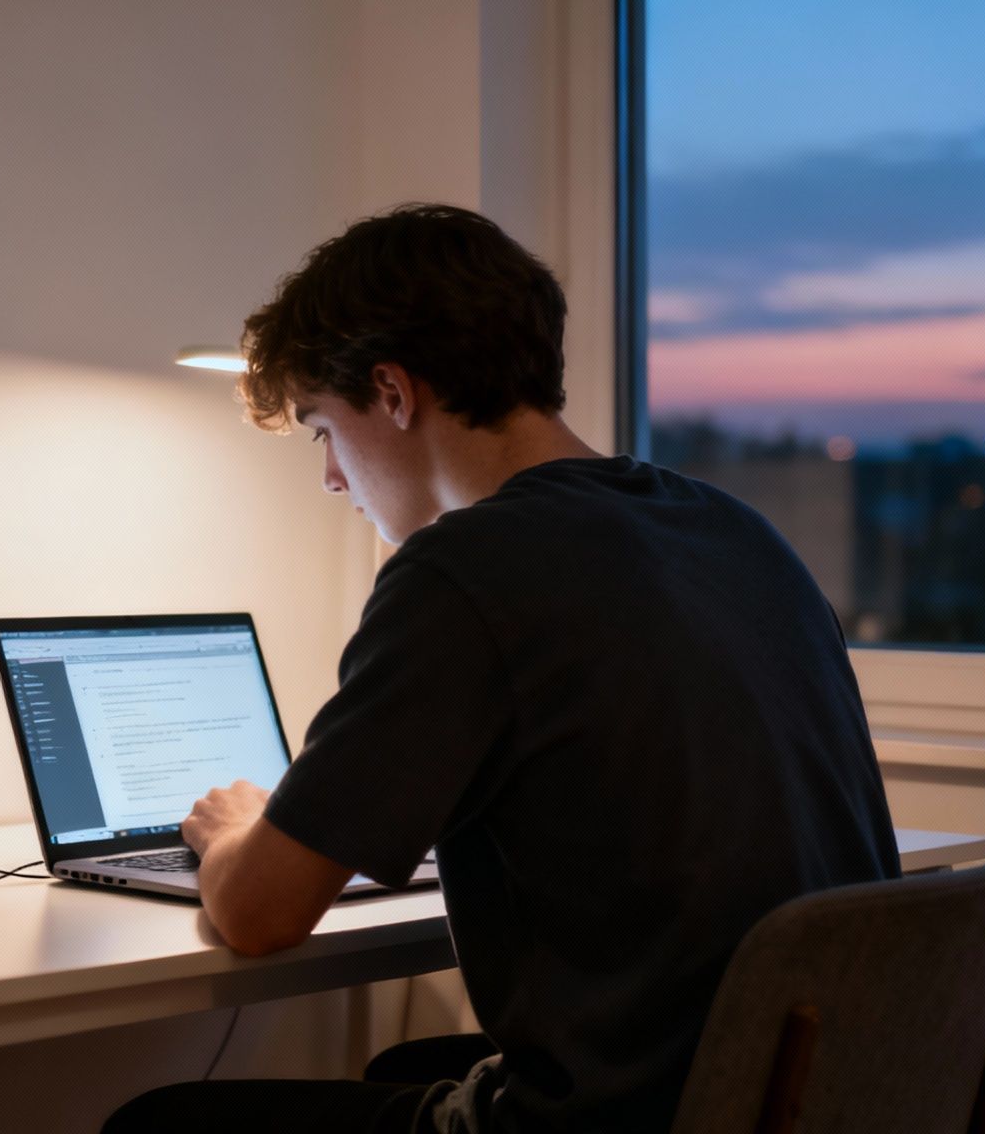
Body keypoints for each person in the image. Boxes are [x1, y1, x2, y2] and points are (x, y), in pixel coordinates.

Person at [101, 204, 899, 1133]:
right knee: (408, 1066)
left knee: (158, 1122)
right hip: (804, 1094)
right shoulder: (734, 531)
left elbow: (259, 913)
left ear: (394, 393)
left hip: (646, 1116)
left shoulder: (462, 574)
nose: (330, 478)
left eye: (324, 429)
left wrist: (235, 829)